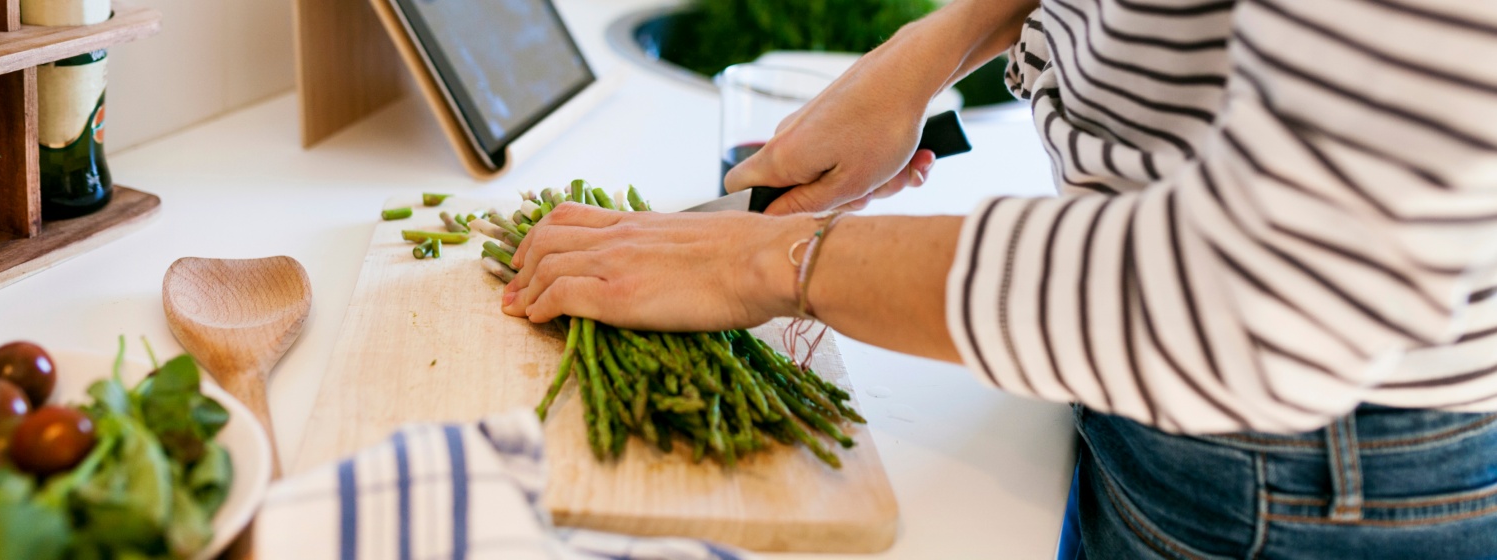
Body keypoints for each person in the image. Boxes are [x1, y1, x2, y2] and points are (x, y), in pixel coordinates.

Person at [502, 0, 1497, 557]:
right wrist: (931, 54)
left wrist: (768, 261)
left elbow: (1274, 300)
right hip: (1133, 367)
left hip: (1312, 473)